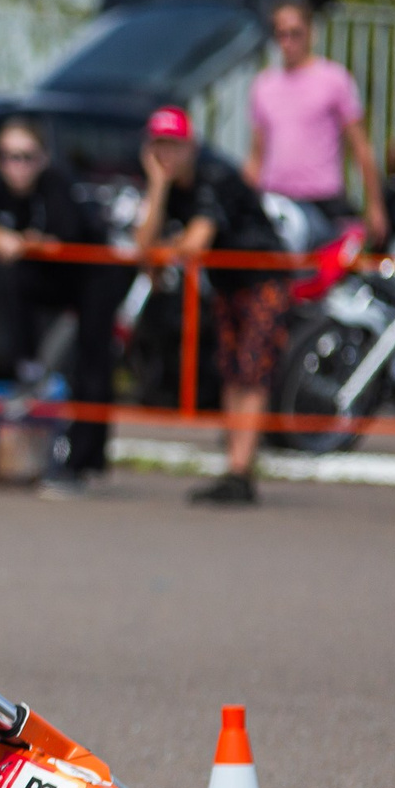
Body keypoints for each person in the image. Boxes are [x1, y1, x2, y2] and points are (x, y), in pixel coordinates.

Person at [131, 106, 280, 506]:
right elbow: (143, 248)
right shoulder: (171, 188)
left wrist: (163, 251)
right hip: (227, 285)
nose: (167, 154)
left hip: (263, 278)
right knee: (232, 372)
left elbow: (194, 243)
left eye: (174, 146)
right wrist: (158, 186)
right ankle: (236, 469)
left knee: (251, 370)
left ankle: (240, 469)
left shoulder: (214, 178)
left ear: (190, 147)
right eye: (159, 146)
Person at [0, 116, 111, 493]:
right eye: (6, 157)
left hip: (93, 274)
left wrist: (23, 242)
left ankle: (83, 464)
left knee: (92, 363)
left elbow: (63, 239)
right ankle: (28, 368)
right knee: (11, 281)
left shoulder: (57, 184)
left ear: (42, 157)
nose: (15, 167)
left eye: (24, 157)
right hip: (54, 277)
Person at [246, 0, 388, 248]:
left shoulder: (334, 79)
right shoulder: (264, 86)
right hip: (276, 200)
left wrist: (374, 205)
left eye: (295, 34)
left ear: (311, 32)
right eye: (281, 35)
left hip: (322, 202)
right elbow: (257, 155)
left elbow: (360, 147)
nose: (287, 43)